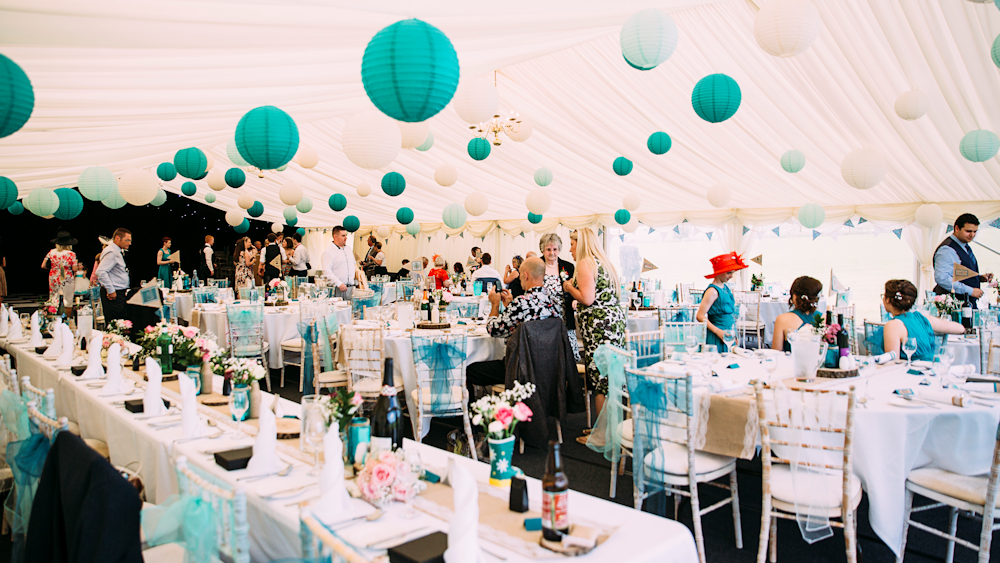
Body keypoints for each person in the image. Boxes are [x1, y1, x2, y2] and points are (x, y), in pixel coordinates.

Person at [563, 228, 625, 443]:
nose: (569, 249)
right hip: (613, 324)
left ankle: (602, 435)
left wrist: (570, 288)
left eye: (571, 244)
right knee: (611, 377)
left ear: (580, 244)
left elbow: (588, 298)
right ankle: (608, 427)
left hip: (599, 327)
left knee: (600, 378)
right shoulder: (603, 262)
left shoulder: (584, 262)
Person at [465, 257, 558, 398]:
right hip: (548, 366)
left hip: (519, 368)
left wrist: (495, 305)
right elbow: (524, 320)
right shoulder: (553, 303)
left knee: (470, 370)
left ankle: (473, 417)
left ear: (525, 275)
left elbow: (493, 330)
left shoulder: (521, 303)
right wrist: (509, 306)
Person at [883, 279, 964, 361]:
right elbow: (960, 328)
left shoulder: (893, 326)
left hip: (911, 372)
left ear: (888, 299)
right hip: (933, 369)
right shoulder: (924, 319)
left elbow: (892, 363)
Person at [933, 213, 993, 308]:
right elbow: (942, 278)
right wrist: (971, 291)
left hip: (966, 305)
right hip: (954, 306)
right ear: (957, 228)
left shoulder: (964, 245)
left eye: (975, 231)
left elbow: (956, 272)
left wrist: (978, 278)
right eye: (968, 231)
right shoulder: (947, 250)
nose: (972, 235)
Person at [697, 252, 746, 354]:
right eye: (728, 273)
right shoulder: (712, 291)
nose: (731, 276)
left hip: (728, 332)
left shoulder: (725, 287)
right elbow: (700, 316)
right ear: (719, 272)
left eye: (732, 272)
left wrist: (733, 334)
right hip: (717, 333)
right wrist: (718, 332)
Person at [539, 233, 578, 359]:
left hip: (564, 317)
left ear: (559, 250)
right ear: (542, 250)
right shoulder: (537, 265)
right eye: (548, 249)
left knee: (568, 357)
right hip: (542, 318)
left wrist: (575, 299)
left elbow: (576, 288)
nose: (552, 253)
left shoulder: (568, 267)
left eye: (555, 249)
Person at [771, 276, 823, 352]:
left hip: (791, 363)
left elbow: (776, 353)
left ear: (794, 297)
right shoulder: (825, 319)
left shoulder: (782, 320)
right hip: (818, 363)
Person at [95, 228, 132, 323]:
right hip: (114, 294)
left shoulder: (116, 251)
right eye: (127, 240)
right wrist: (111, 290)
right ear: (117, 238)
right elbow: (101, 272)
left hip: (119, 291)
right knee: (115, 323)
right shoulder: (112, 252)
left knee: (120, 322)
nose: (129, 243)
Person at [42, 231, 79, 314]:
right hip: (66, 277)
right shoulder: (71, 254)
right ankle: (67, 319)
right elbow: (74, 269)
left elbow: (43, 265)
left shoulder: (51, 252)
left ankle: (54, 316)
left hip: (54, 276)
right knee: (67, 299)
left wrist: (55, 267)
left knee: (54, 297)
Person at [322, 226, 358, 300]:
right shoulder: (328, 252)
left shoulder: (348, 249)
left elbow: (354, 264)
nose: (346, 238)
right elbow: (326, 271)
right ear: (335, 237)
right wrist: (339, 283)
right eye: (343, 236)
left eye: (346, 235)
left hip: (351, 288)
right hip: (338, 288)